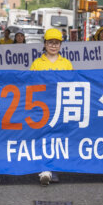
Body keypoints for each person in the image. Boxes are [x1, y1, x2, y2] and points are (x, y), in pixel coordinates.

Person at [30, 28, 73, 186]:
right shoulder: (37, 63)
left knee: (57, 138)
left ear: (61, 45)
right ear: (45, 44)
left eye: (57, 43)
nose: (53, 46)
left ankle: (54, 168)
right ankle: (44, 169)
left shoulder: (66, 63)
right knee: (43, 137)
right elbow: (31, 85)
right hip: (42, 107)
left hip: (60, 107)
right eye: (50, 43)